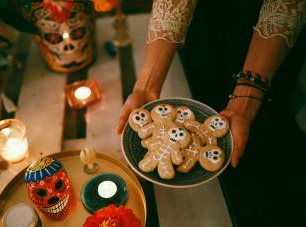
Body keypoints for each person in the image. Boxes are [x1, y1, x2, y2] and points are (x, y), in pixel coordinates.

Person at [116, 0, 305, 225]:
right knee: (200, 88)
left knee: (263, 136)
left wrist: (247, 100)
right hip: (205, 22)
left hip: (269, 44)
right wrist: (147, 86)